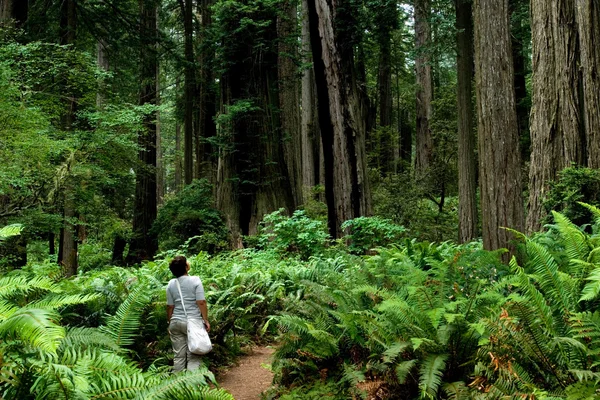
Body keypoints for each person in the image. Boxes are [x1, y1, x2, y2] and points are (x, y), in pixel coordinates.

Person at [166, 255, 211, 372]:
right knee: (194, 356)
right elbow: (201, 302)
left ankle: (178, 385)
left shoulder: (171, 284)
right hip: (192, 322)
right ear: (186, 267)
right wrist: (205, 320)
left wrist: (169, 322)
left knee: (178, 357)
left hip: (175, 322)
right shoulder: (195, 280)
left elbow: (170, 306)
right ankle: (191, 385)